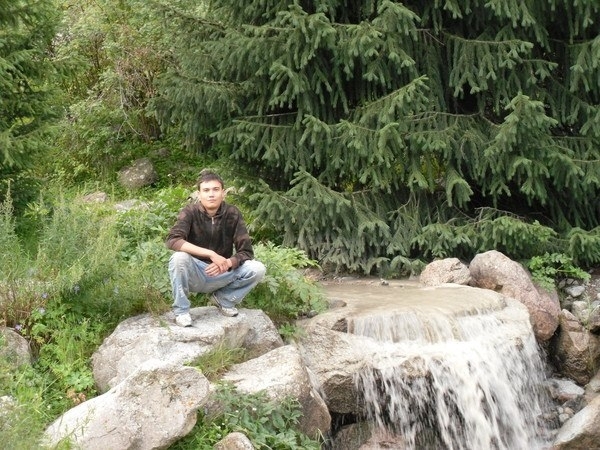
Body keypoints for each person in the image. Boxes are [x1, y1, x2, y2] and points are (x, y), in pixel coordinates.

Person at [166, 169, 266, 327]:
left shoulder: (232, 213)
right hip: (195, 272)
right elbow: (173, 240)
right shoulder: (190, 212)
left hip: (222, 272)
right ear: (199, 194)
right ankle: (182, 311)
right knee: (178, 258)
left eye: (215, 189)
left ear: (223, 193)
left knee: (257, 268)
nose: (211, 194)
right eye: (206, 190)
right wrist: (211, 254)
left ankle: (224, 300)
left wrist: (228, 263)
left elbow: (246, 252)